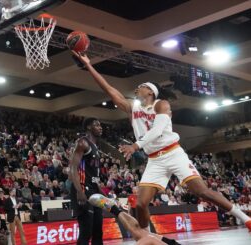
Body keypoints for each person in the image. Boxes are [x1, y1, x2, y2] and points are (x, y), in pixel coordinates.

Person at [72, 52, 251, 232]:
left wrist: (135, 146)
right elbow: (109, 89)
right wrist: (88, 66)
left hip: (173, 153)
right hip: (155, 160)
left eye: (141, 86)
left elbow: (157, 131)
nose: (137, 88)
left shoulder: (161, 105)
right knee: (141, 204)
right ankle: (148, 237)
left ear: (150, 91)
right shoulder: (133, 108)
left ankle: (245, 219)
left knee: (202, 192)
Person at [69, 117, 103, 245]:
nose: (100, 127)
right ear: (89, 127)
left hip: (94, 190)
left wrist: (102, 192)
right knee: (86, 231)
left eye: (100, 125)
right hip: (83, 189)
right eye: (97, 125)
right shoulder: (83, 142)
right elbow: (73, 168)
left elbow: (94, 176)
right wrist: (79, 191)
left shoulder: (96, 147)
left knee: (98, 231)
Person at [89, 193, 167, 245]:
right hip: (136, 214)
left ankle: (114, 208)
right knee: (143, 234)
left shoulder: (135, 197)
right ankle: (113, 208)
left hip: (137, 214)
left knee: (141, 234)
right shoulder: (132, 197)